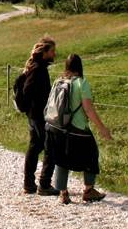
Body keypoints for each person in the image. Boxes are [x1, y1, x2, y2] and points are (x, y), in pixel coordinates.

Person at [44, 53, 112, 204]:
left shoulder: (58, 81)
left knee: (62, 159)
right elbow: (88, 109)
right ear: (80, 66)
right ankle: (89, 190)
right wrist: (102, 128)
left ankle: (63, 193)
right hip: (77, 128)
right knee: (92, 153)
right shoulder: (81, 83)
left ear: (66, 66)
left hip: (57, 126)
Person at [21, 36, 58, 195]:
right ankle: (44, 184)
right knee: (50, 147)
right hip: (38, 115)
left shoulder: (36, 67)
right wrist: (39, 105)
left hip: (34, 114)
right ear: (45, 53)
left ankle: (29, 184)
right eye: (52, 51)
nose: (54, 55)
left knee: (35, 146)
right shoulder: (38, 69)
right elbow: (27, 91)